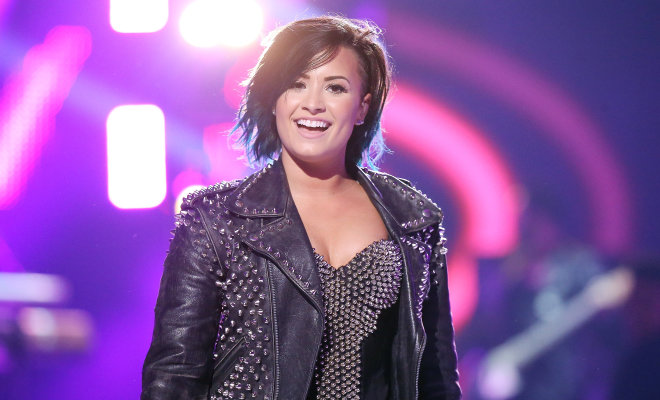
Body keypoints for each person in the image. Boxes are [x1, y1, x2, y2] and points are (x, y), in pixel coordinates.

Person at [142, 16, 461, 400]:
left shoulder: (412, 219)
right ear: (274, 99)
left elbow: (435, 377)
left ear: (362, 108)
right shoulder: (216, 220)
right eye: (296, 84)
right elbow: (175, 374)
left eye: (335, 88)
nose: (313, 104)